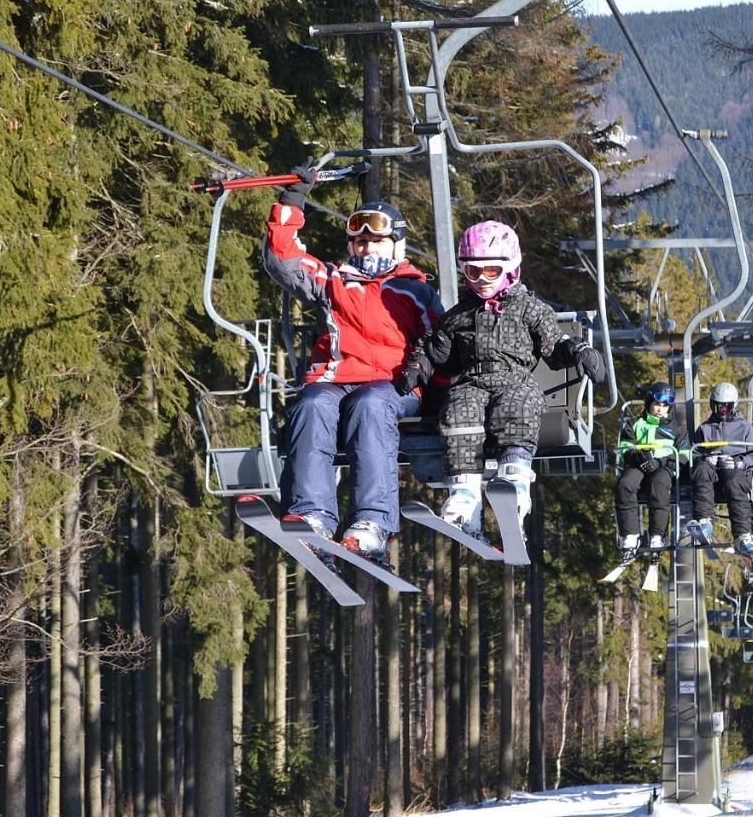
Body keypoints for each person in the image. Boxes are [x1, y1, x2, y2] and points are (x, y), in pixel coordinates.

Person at [264, 165, 443, 567]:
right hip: (334, 378)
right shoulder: (333, 281)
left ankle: (373, 523)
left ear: (396, 246)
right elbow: (283, 260)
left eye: (376, 242)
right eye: (360, 243)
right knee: (311, 406)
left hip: (391, 384)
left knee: (371, 405)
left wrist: (440, 388)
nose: (366, 250)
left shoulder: (413, 289)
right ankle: (312, 516)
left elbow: (442, 342)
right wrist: (292, 201)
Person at [398, 220, 606, 536]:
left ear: (510, 269)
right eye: (472, 273)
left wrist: (578, 352)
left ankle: (515, 480)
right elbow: (437, 350)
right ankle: (465, 495)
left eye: (491, 272)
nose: (481, 280)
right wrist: (419, 367)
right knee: (459, 411)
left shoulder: (528, 309)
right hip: (471, 382)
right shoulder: (459, 314)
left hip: (515, 380)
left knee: (517, 406)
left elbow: (553, 344)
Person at [685, 382, 753, 557]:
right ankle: (705, 522)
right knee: (701, 470)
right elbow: (694, 453)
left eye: (725, 408)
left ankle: (742, 535)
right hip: (712, 471)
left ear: (733, 406)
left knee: (734, 481)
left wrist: (739, 463)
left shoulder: (744, 428)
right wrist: (705, 458)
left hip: (734, 470)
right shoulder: (705, 428)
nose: (721, 411)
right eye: (717, 406)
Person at [615, 382, 682, 552]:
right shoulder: (634, 424)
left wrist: (661, 462)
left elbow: (684, 455)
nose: (660, 409)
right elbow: (625, 448)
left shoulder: (677, 428)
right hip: (638, 465)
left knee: (658, 484)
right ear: (648, 403)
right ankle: (630, 534)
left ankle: (657, 535)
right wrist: (638, 456)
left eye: (665, 406)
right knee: (625, 485)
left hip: (663, 467)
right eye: (657, 404)